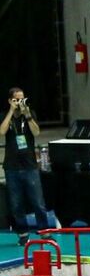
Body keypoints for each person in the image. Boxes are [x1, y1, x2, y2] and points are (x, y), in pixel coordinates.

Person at [2, 87, 50, 246]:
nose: (20, 102)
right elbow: (2, 131)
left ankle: (44, 233)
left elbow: (36, 132)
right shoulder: (5, 116)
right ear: (10, 100)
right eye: (16, 99)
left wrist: (27, 113)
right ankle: (23, 235)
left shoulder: (29, 115)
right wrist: (11, 111)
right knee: (16, 204)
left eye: (22, 99)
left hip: (30, 166)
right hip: (12, 167)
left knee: (38, 202)